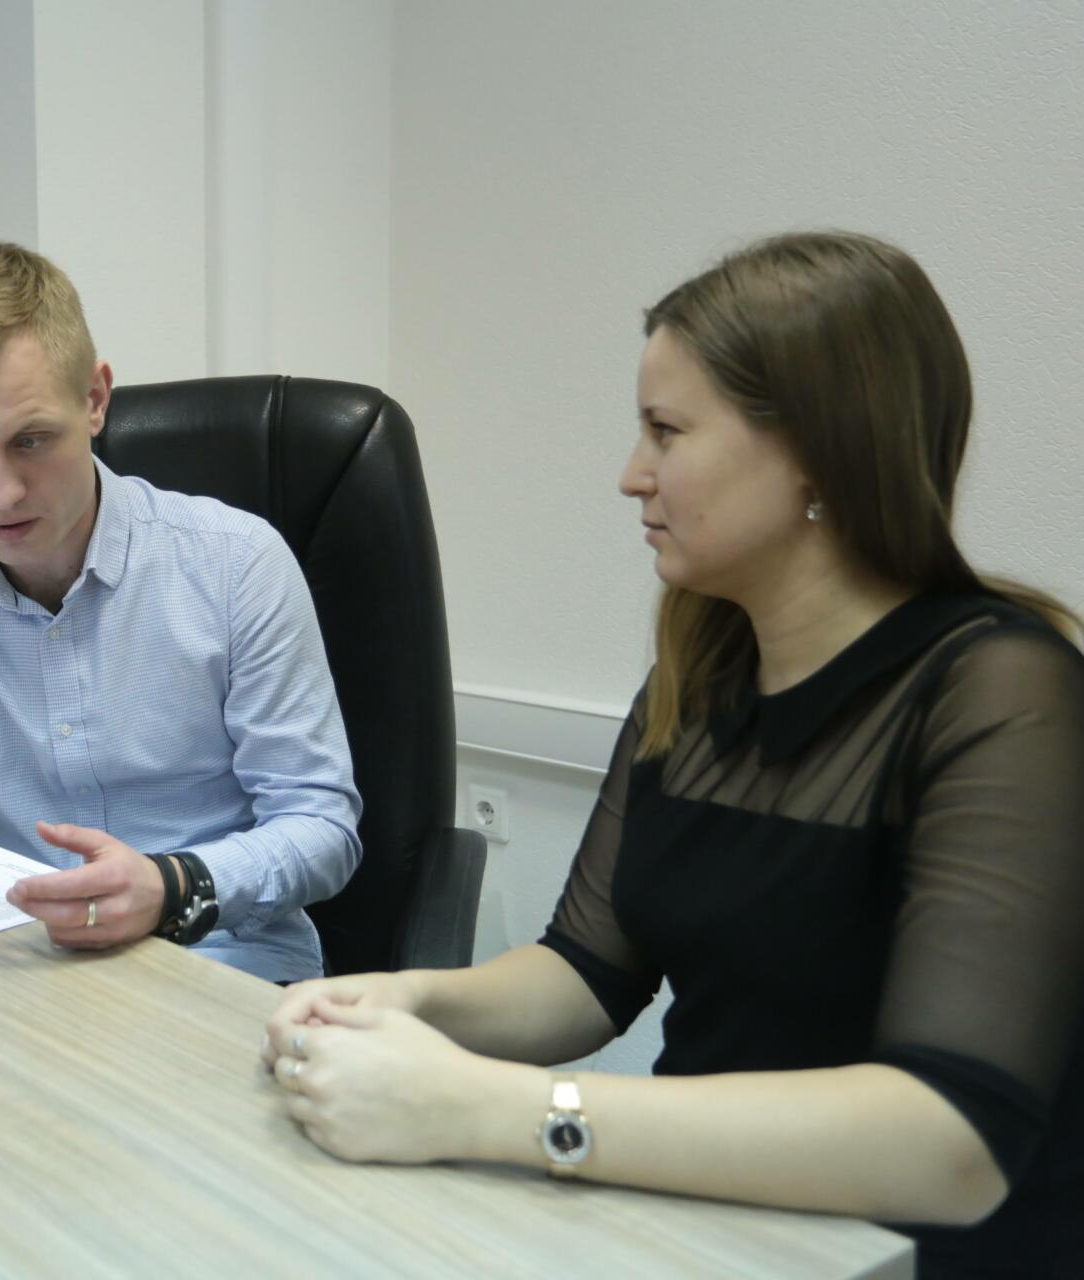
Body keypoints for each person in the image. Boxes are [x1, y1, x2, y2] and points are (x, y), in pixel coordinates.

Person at [260, 231, 1083, 1275]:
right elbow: (586, 972)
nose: (630, 475)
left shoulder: (1004, 687)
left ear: (817, 451)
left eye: (666, 431)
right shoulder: (695, 680)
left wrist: (494, 1109)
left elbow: (952, 1142)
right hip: (708, 1229)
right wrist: (416, 1000)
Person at [0, 241, 361, 982]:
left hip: (217, 962)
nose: (0, 494)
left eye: (29, 441)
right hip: (19, 969)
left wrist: (171, 884)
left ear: (94, 399)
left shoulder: (236, 563)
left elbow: (322, 829)